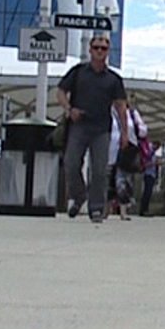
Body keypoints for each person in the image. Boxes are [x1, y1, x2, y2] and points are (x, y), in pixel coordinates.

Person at [57, 34, 132, 223]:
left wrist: (125, 133)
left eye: (104, 48)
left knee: (99, 170)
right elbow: (60, 92)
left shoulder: (114, 79)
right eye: (96, 48)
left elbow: (121, 107)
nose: (100, 51)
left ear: (108, 52)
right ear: (90, 50)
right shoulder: (78, 72)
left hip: (101, 129)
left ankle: (96, 208)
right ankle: (79, 195)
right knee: (71, 163)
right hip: (79, 126)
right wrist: (68, 109)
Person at [108, 103, 148, 220]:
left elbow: (143, 131)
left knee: (123, 180)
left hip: (126, 151)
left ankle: (123, 211)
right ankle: (105, 209)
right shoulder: (107, 112)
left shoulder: (132, 114)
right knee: (107, 180)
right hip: (109, 151)